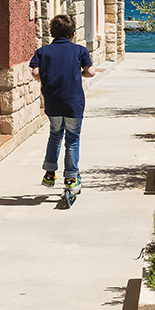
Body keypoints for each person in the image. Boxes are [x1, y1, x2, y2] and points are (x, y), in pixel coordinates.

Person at [29, 14, 97, 193]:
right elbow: (91, 72)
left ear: (52, 33)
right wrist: (78, 73)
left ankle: (50, 173)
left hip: (52, 101)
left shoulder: (43, 52)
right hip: (73, 102)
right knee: (72, 139)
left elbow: (35, 74)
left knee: (55, 135)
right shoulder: (79, 51)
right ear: (73, 33)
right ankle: (71, 178)